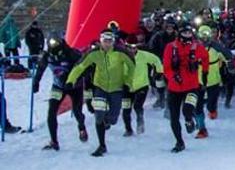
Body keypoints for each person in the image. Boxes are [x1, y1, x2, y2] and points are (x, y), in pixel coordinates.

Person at [66, 29, 135, 157]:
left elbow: (131, 66)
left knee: (113, 118)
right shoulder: (94, 53)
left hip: (117, 88)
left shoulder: (121, 52)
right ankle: (102, 145)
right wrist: (71, 80)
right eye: (105, 40)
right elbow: (80, 66)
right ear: (100, 40)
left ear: (113, 41)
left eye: (110, 41)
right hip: (100, 87)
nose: (107, 43)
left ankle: (108, 121)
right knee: (99, 116)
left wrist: (128, 82)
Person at [32, 37, 88, 150]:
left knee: (77, 111)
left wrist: (74, 80)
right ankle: (54, 141)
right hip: (58, 86)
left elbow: (83, 68)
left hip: (74, 86)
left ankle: (82, 128)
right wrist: (36, 82)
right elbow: (40, 69)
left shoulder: (71, 53)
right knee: (51, 112)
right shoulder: (47, 55)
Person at [163, 23, 209, 153]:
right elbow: (166, 66)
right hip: (174, 87)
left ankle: (189, 120)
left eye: (190, 33)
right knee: (174, 117)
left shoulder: (197, 47)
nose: (188, 35)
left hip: (191, 86)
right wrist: (173, 76)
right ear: (180, 33)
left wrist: (205, 73)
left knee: (188, 110)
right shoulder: (170, 47)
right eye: (185, 33)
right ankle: (179, 142)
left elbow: (205, 58)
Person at [122, 42, 163, 136]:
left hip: (141, 85)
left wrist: (159, 71)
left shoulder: (143, 55)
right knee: (126, 109)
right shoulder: (121, 57)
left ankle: (140, 122)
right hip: (127, 86)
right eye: (130, 48)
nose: (132, 50)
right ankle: (128, 129)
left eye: (134, 48)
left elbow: (156, 59)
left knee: (137, 105)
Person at [197, 25, 231, 126]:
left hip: (214, 78)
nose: (204, 38)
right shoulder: (194, 47)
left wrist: (230, 64)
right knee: (198, 102)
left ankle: (212, 109)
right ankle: (200, 122)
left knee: (212, 101)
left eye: (206, 35)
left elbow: (226, 56)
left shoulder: (216, 47)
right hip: (198, 78)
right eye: (202, 35)